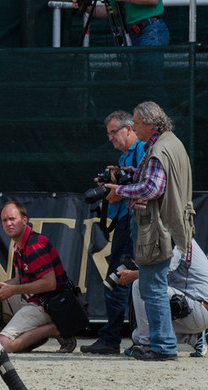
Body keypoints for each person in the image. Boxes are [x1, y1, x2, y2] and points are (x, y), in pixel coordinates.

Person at [104, 101, 194, 361]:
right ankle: (160, 343)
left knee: (152, 288)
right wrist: (125, 173)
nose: (132, 126)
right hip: (168, 223)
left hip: (157, 226)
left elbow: (152, 189)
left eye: (135, 122)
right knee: (153, 285)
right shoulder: (170, 142)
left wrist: (118, 190)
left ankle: (163, 346)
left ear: (149, 123)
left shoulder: (158, 149)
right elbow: (150, 177)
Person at [80, 110, 145, 355]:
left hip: (134, 225)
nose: (110, 138)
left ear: (129, 129)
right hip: (126, 224)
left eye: (114, 132)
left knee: (118, 280)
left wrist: (119, 186)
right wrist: (111, 183)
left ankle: (112, 339)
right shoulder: (127, 156)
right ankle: (128, 336)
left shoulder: (141, 152)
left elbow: (142, 186)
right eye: (108, 133)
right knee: (125, 281)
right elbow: (123, 191)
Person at [0, 201, 76, 354]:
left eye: (12, 219)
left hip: (48, 305)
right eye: (5, 220)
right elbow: (19, 279)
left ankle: (55, 329)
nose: (8, 223)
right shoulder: (19, 244)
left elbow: (49, 284)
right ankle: (31, 335)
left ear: (24, 220)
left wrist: (12, 290)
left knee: (3, 345)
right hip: (32, 300)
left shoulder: (35, 245)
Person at [118, 239, 208, 357]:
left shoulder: (178, 237)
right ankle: (195, 337)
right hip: (191, 309)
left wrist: (133, 274)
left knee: (141, 284)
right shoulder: (170, 235)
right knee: (137, 333)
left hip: (198, 308)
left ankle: (146, 344)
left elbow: (161, 271)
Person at [72, 0, 169, 47]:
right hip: (137, 33)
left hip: (151, 30)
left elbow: (152, 0)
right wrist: (86, 8)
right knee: (142, 81)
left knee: (150, 83)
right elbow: (112, 10)